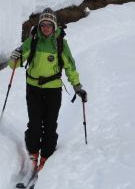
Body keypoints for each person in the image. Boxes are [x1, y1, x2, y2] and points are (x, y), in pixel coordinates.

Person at [9, 10, 87, 174]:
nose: (45, 28)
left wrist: (77, 86)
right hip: (33, 89)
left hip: (53, 90)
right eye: (43, 25)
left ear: (54, 26)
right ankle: (33, 155)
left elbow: (70, 67)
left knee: (50, 125)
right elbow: (14, 64)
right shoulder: (33, 41)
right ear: (39, 26)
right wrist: (15, 56)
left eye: (49, 25)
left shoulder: (60, 43)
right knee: (35, 125)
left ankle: (45, 157)